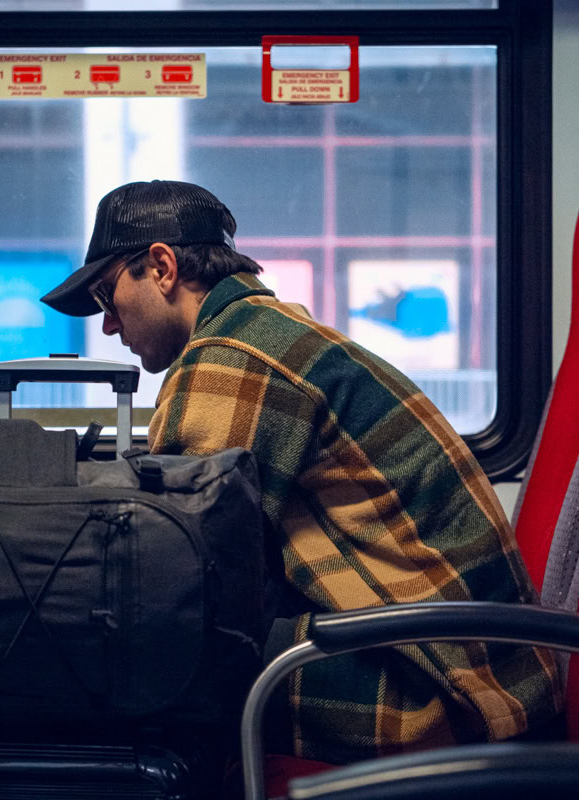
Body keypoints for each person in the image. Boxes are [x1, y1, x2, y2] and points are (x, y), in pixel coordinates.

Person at [41, 179, 563, 764]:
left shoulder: (230, 362)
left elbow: (171, 569)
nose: (109, 327)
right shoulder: (272, 333)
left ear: (161, 267)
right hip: (488, 671)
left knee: (155, 665)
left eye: (109, 298)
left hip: (443, 697)